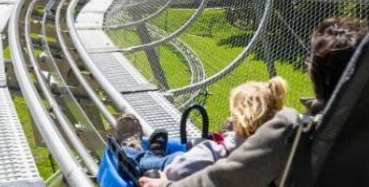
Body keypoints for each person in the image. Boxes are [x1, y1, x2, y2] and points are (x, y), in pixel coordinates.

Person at [138, 17, 368, 187]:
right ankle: (151, 156)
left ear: (315, 73)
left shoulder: (294, 130)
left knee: (189, 171)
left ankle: (138, 153)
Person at [113, 77, 288, 180]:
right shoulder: (281, 151)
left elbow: (172, 174)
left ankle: (132, 148)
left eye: (233, 117)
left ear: (239, 120)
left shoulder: (217, 154)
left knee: (174, 158)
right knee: (191, 150)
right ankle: (156, 153)